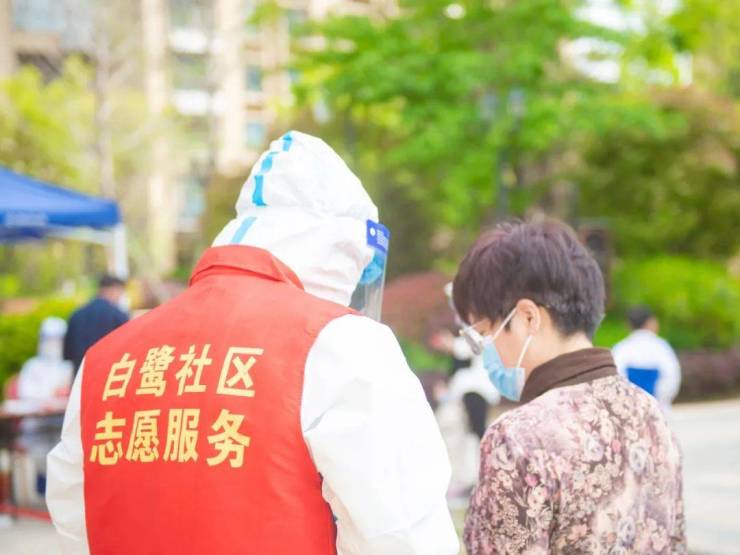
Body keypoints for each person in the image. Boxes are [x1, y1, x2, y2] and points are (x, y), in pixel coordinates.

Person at [46, 131, 458, 554]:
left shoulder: (107, 359)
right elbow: (404, 535)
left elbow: (76, 516)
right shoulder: (340, 344)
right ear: (341, 255)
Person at [454, 219, 686, 554]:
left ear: (528, 317)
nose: (488, 350)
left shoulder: (518, 437)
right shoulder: (651, 414)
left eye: (484, 334)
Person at [16, 317, 73, 499]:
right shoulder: (32, 366)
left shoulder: (67, 366)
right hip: (36, 427)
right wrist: (49, 396)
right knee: (41, 458)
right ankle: (42, 492)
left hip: (60, 426)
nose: (53, 344)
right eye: (49, 339)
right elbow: (25, 393)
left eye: (57, 339)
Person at [612, 305, 682, 414]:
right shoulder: (662, 347)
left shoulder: (620, 349)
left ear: (628, 325)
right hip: (658, 411)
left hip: (630, 411)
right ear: (651, 322)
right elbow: (671, 378)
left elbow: (616, 379)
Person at [63, 274, 129, 375]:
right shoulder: (118, 315)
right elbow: (127, 350)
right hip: (107, 374)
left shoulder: (76, 314)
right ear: (113, 290)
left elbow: (67, 353)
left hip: (81, 374)